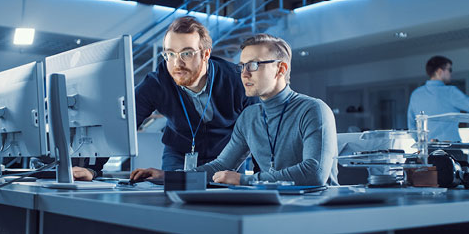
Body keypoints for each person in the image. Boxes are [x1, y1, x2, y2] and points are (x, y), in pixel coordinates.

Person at [131, 34, 338, 186]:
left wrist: (246, 180)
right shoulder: (250, 117)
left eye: (254, 65)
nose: (244, 74)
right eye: (242, 66)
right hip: (275, 207)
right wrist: (167, 176)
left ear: (281, 69)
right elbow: (220, 165)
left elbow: (315, 173)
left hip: (317, 208)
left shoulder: (313, 110)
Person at [72, 16, 257, 180]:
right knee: (175, 202)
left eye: (187, 53)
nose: (177, 63)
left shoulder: (237, 80)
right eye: (170, 54)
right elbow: (122, 124)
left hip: (223, 155)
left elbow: (259, 131)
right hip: (179, 152)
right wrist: (91, 168)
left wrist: (264, 179)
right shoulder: (157, 82)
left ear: (206, 54)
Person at [407, 55, 469, 142]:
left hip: (427, 150)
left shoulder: (416, 94)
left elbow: (411, 126)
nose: (451, 73)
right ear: (439, 71)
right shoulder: (450, 92)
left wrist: (422, 143)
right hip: (450, 149)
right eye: (449, 70)